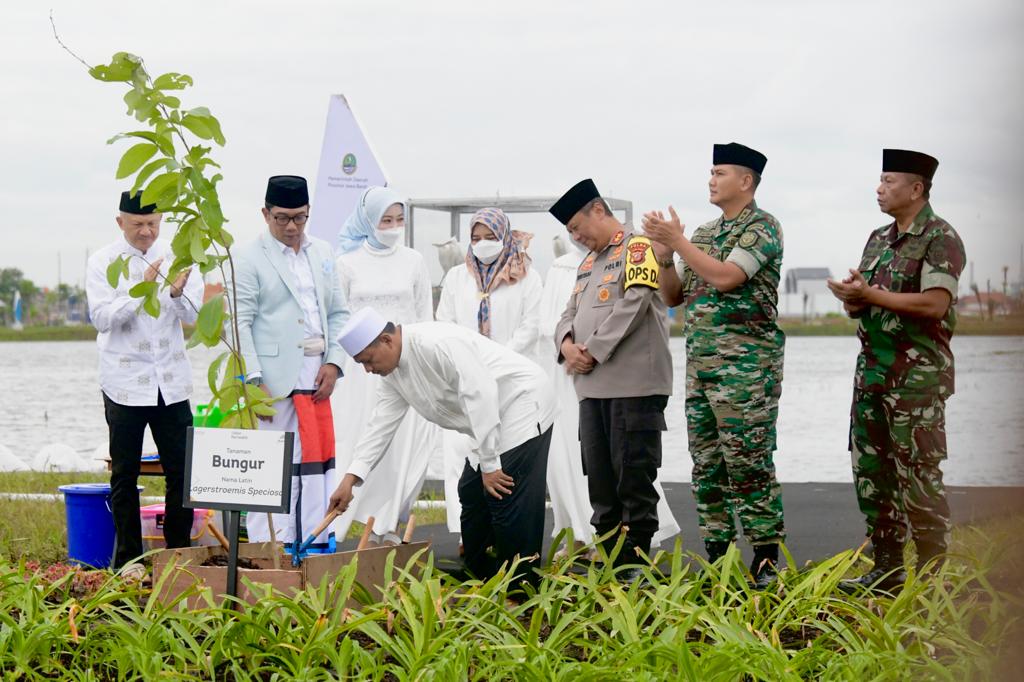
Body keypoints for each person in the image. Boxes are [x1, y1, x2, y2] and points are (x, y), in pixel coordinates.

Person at [644, 142, 786, 588]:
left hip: (746, 371)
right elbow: (672, 296)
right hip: (703, 369)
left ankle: (764, 560)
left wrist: (677, 241)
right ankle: (720, 556)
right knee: (707, 464)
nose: (710, 179)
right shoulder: (704, 233)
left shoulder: (763, 228)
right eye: (709, 172)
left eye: (719, 172)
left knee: (749, 461)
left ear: (745, 181)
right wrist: (666, 257)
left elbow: (727, 277)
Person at [328, 309, 555, 588]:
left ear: (386, 340)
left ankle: (520, 588)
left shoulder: (436, 343)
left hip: (521, 401)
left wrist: (491, 464)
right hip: (488, 417)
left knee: (505, 492)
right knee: (471, 492)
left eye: (368, 361)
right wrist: (350, 479)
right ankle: (479, 574)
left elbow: (480, 393)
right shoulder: (393, 376)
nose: (368, 370)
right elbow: (379, 427)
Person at [827, 149, 965, 593]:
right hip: (870, 377)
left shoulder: (940, 237)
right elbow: (866, 303)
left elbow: (934, 303)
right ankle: (886, 572)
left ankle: (931, 580)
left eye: (888, 181)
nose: (879, 189)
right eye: (879, 181)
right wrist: (852, 297)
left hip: (916, 381)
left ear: (916, 189)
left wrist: (871, 294)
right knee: (873, 478)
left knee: (919, 479)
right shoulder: (878, 238)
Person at [550, 179, 673, 578]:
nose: (576, 235)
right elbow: (568, 312)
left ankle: (636, 561)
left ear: (599, 211)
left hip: (634, 385)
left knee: (633, 474)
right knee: (599, 477)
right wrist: (567, 345)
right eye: (569, 231)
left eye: (577, 225)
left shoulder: (637, 247)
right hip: (593, 388)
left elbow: (634, 304)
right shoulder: (588, 262)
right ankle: (609, 557)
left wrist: (593, 350)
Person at [85, 190, 204, 570]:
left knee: (182, 470)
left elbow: (192, 313)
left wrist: (174, 291)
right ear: (121, 222)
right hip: (124, 382)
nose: (146, 232)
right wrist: (143, 290)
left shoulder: (178, 256)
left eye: (153, 224)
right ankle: (129, 560)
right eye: (138, 224)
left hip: (170, 382)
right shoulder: (103, 262)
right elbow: (102, 318)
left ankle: (179, 553)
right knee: (125, 472)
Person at [233, 175, 349, 550]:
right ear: (265, 214)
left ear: (309, 213)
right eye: (281, 218)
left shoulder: (323, 252)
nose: (291, 227)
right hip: (272, 376)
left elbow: (338, 312)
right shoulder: (250, 257)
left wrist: (334, 362)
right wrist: (253, 379)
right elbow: (240, 321)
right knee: (274, 465)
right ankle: (270, 548)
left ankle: (313, 543)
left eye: (299, 218)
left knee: (315, 462)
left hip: (317, 371)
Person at [331, 186, 441, 544]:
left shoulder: (414, 260)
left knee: (401, 446)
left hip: (405, 365)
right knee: (361, 436)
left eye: (398, 220)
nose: (393, 227)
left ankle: (389, 521)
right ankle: (346, 521)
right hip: (360, 373)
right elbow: (338, 319)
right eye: (385, 220)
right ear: (368, 220)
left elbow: (425, 315)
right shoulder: (347, 263)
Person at [435, 208, 543, 536]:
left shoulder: (526, 275)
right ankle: (463, 532)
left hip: (510, 380)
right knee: (459, 455)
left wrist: (497, 361)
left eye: (490, 237)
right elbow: (445, 322)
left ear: (505, 237)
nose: (482, 244)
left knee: (504, 455)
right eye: (475, 238)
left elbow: (531, 326)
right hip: (462, 379)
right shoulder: (456, 276)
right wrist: (465, 363)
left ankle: (503, 531)